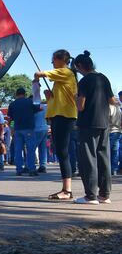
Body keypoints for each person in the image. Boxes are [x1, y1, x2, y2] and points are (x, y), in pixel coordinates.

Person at [72, 51, 115, 204]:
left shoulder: (84, 81)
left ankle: (90, 195)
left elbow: (81, 106)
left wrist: (75, 98)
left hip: (87, 123)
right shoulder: (103, 78)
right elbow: (112, 100)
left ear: (79, 66)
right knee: (104, 158)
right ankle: (104, 194)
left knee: (88, 159)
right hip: (104, 122)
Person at [35, 49, 78, 200]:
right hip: (59, 115)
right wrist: (50, 97)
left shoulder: (66, 72)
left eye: (53, 59)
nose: (52, 62)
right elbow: (59, 101)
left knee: (63, 152)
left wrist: (38, 75)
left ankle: (67, 190)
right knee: (60, 152)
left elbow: (42, 74)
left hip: (65, 116)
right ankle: (66, 189)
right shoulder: (61, 77)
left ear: (61, 60)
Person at [7, 87, 42, 177]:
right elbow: (38, 108)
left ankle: (19, 169)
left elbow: (10, 118)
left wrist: (11, 129)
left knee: (18, 150)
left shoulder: (12, 104)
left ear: (16, 94)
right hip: (29, 128)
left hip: (17, 129)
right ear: (25, 94)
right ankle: (31, 169)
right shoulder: (29, 102)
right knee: (30, 149)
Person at [34, 93, 50, 173]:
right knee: (43, 148)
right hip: (44, 128)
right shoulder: (45, 107)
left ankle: (30, 165)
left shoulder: (33, 107)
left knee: (32, 148)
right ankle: (43, 165)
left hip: (36, 129)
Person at [111, 98, 122, 177]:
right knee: (115, 151)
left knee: (108, 151)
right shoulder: (119, 109)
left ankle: (110, 169)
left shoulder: (111, 107)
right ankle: (114, 169)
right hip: (118, 131)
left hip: (111, 131)